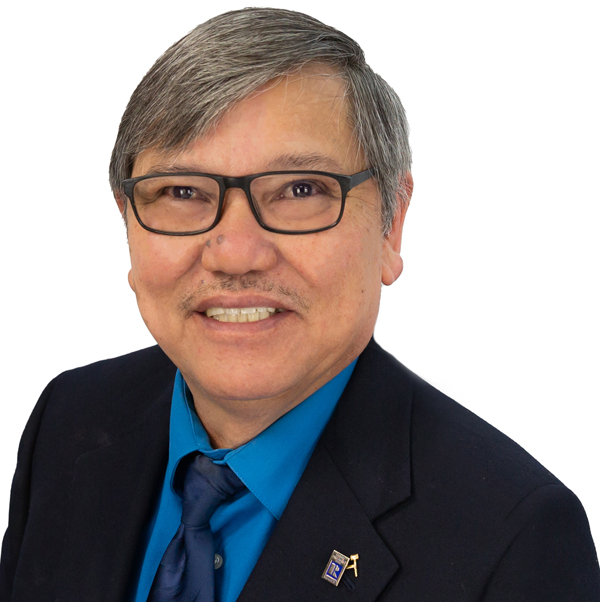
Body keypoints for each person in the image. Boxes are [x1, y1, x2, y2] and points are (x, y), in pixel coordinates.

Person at [1, 7, 598, 602]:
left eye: (300, 189)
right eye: (182, 191)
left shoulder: (515, 540)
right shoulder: (68, 422)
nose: (235, 253)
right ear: (127, 223)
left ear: (391, 224)